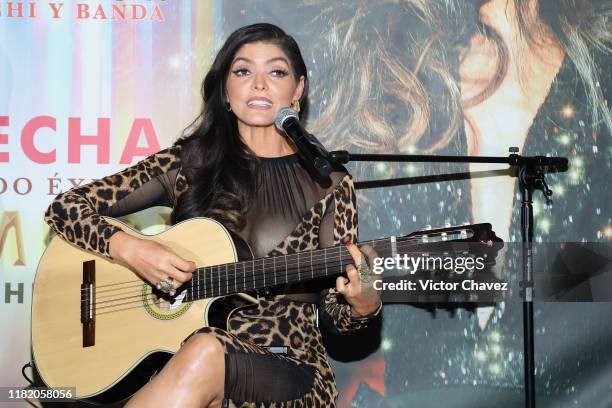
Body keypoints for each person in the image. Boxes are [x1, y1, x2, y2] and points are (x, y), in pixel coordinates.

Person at [44, 23, 382, 408]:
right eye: (243, 71)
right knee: (202, 349)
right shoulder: (188, 163)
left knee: (207, 349)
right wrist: (133, 250)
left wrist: (364, 305)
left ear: (298, 89)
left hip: (287, 366)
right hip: (176, 357)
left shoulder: (329, 182)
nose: (258, 84)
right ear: (225, 88)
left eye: (276, 72)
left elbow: (338, 319)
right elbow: (65, 208)